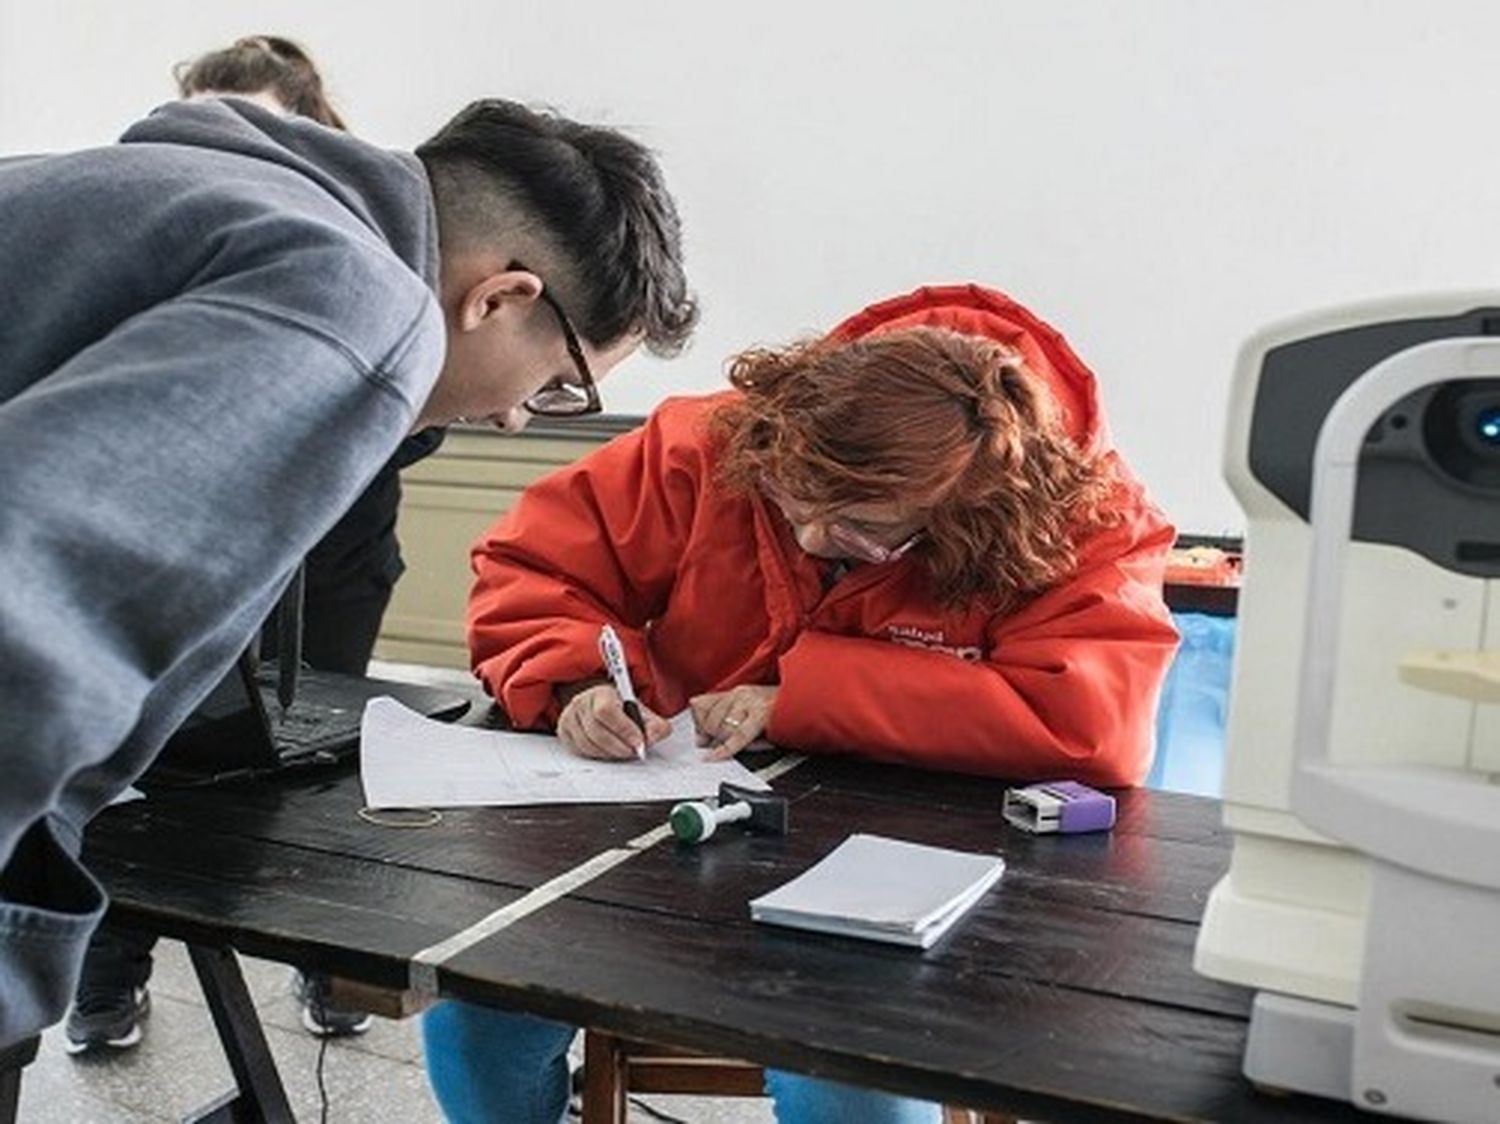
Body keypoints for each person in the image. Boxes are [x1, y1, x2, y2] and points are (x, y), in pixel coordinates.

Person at [0, 74, 697, 1049]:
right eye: (555, 385)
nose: (511, 416)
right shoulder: (358, 296)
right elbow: (33, 603)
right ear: (501, 297)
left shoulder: (197, 182)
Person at [428, 284, 1178, 1123]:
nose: (814, 540)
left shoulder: (1084, 520)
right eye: (792, 501)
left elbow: (1091, 725)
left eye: (861, 529)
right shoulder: (713, 441)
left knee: (853, 1088)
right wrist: (575, 681)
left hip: (908, 891)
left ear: (975, 522)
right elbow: (535, 569)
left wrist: (800, 699)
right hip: (677, 840)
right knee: (474, 1017)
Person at [61, 34, 447, 1052]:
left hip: (334, 558)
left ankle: (334, 970)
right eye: (215, 112)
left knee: (321, 772)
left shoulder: (380, 248)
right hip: (195, 553)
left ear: (316, 124)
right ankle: (107, 981)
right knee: (151, 764)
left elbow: (429, 402)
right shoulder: (170, 206)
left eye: (259, 118)